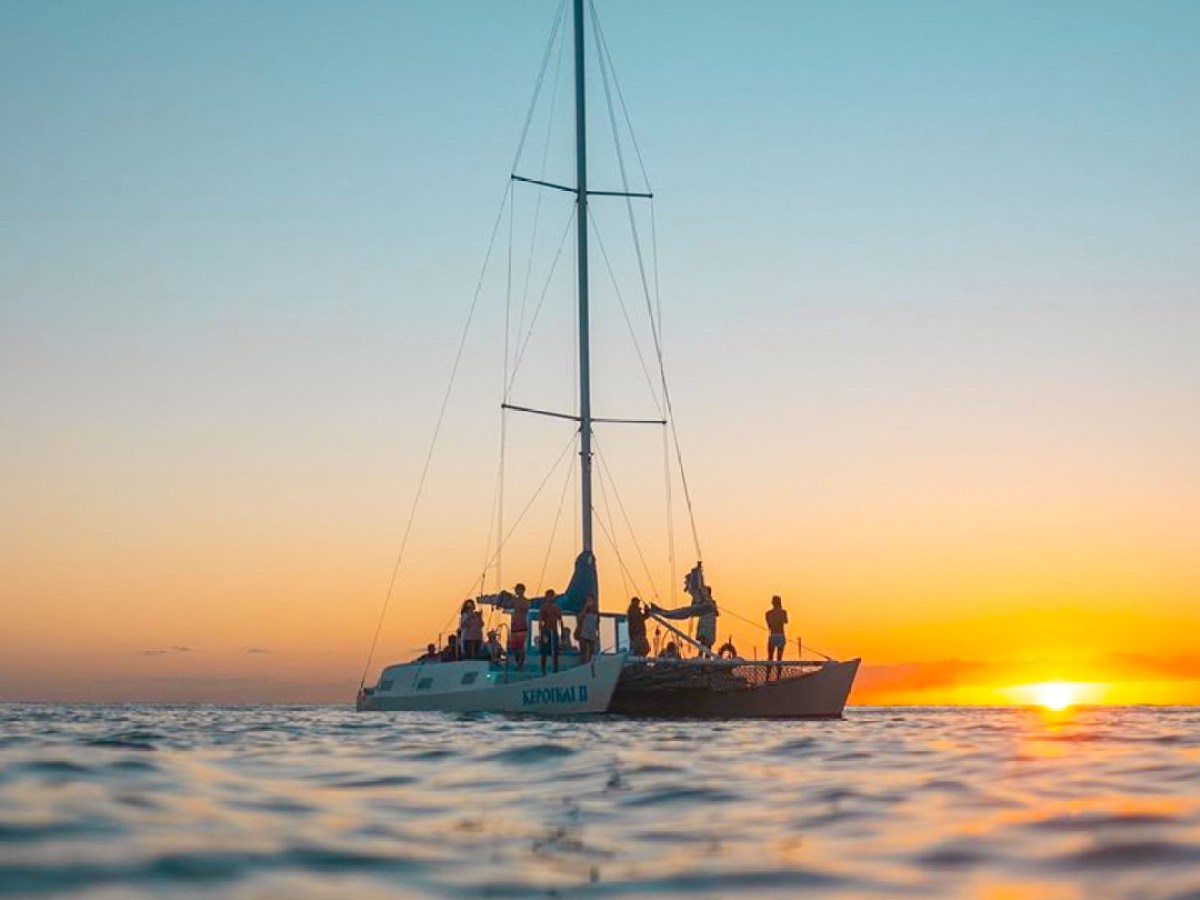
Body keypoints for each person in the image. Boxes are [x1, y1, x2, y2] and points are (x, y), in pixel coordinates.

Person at [498, 582, 531, 670]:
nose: (516, 591)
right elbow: (507, 603)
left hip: (522, 625)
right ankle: (518, 662)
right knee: (514, 646)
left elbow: (525, 608)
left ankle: (521, 664)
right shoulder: (514, 600)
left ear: (522, 590)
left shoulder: (526, 601)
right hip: (514, 625)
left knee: (521, 646)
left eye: (518, 589)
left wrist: (516, 601)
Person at [538, 589, 563, 675]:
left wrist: (562, 632)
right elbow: (540, 620)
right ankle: (543, 671)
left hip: (555, 631)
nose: (550, 598)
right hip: (546, 631)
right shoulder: (543, 607)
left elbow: (560, 620)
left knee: (555, 652)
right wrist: (541, 632)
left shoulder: (557, 608)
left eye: (551, 596)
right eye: (548, 596)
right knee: (544, 652)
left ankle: (556, 670)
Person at [766, 595, 788, 678]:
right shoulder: (783, 612)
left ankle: (767, 677)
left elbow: (769, 626)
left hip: (773, 636)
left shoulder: (768, 613)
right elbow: (786, 621)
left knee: (770, 657)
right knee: (779, 659)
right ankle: (778, 677)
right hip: (781, 636)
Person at [576, 595, 599, 664]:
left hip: (592, 635)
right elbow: (579, 618)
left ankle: (590, 664)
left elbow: (597, 624)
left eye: (591, 600)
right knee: (583, 652)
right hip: (583, 635)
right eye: (588, 600)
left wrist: (597, 635)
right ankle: (583, 664)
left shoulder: (596, 613)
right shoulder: (583, 611)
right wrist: (586, 607)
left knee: (591, 652)